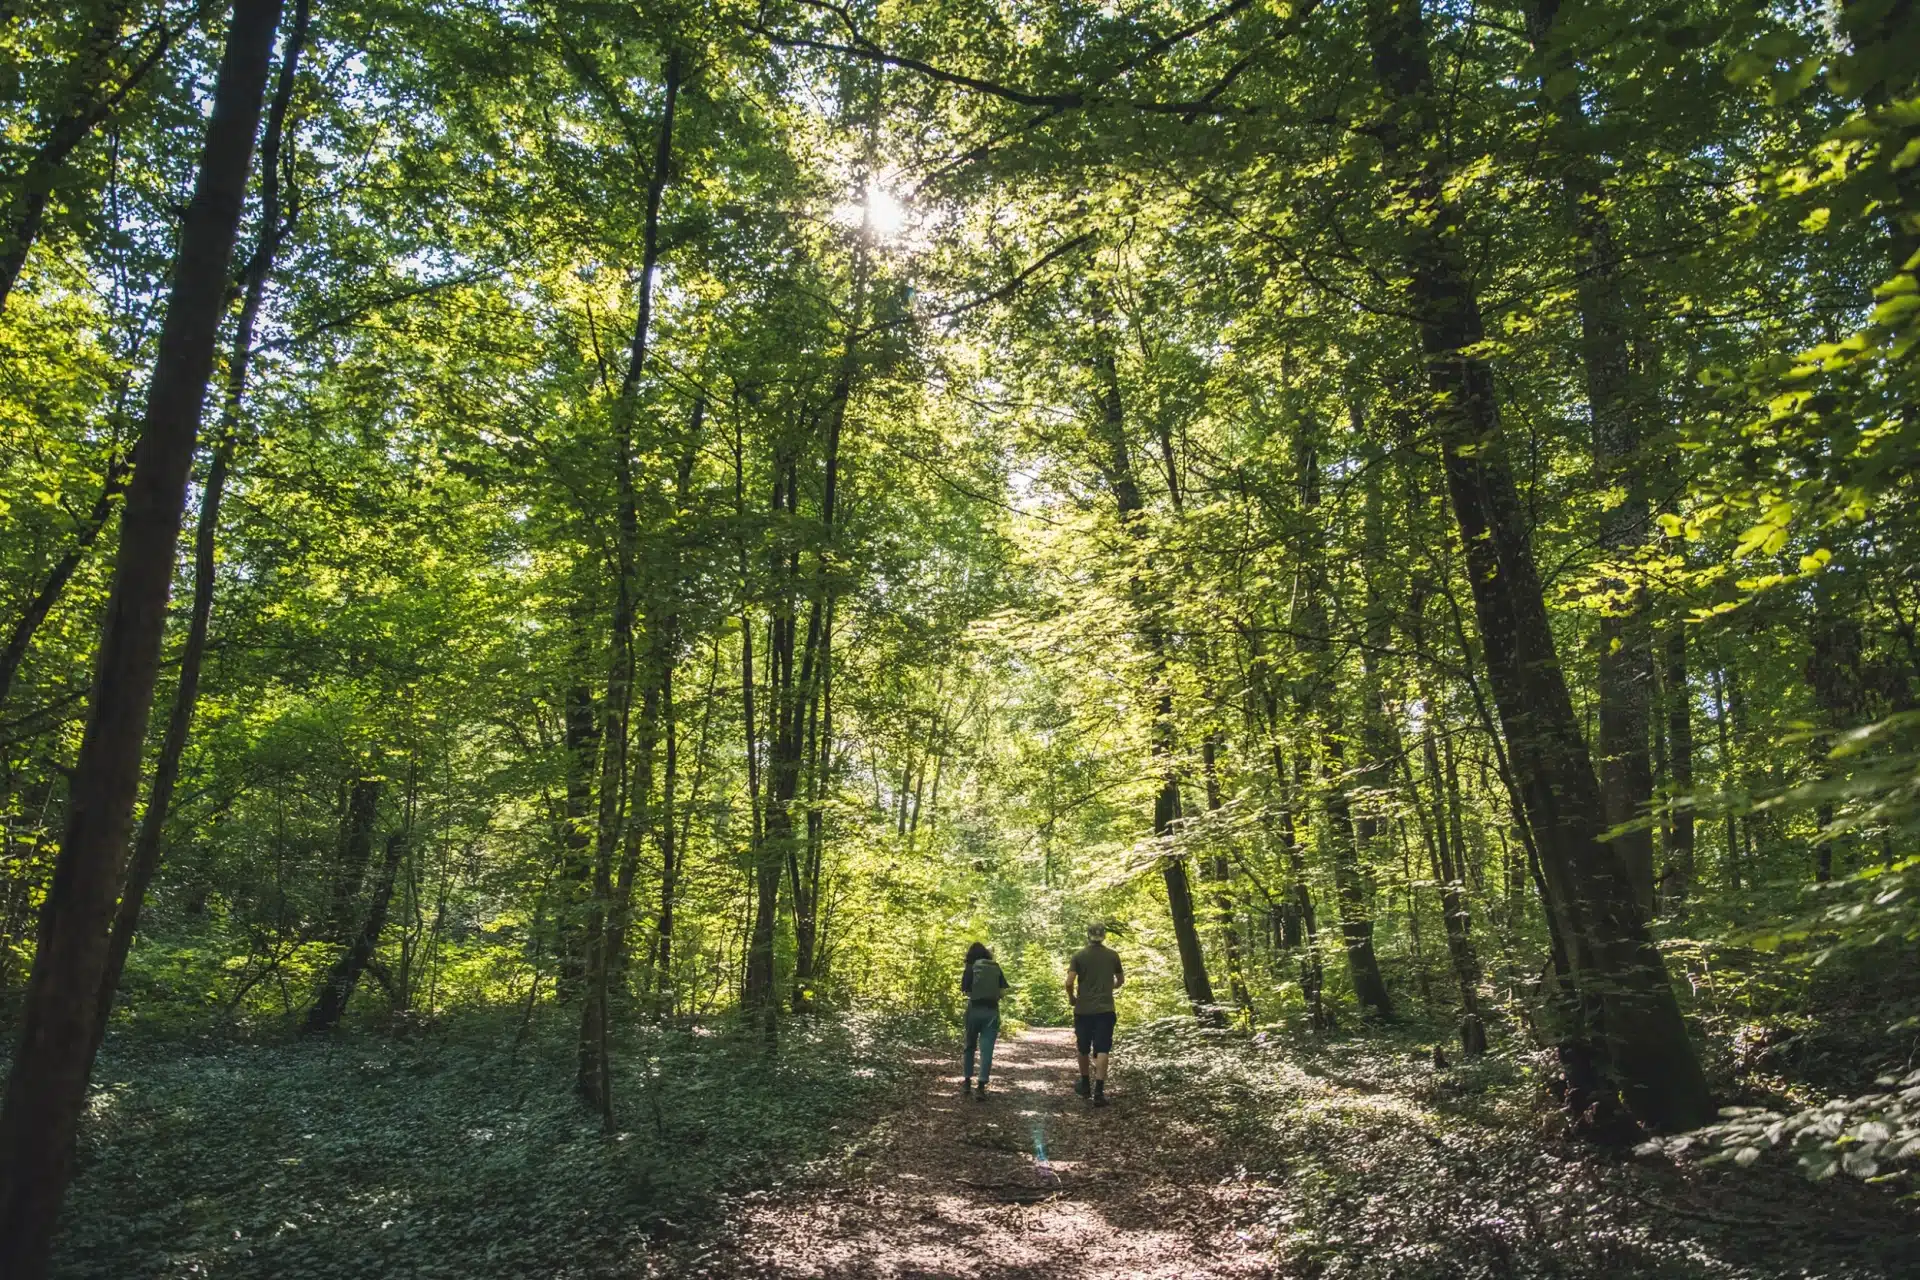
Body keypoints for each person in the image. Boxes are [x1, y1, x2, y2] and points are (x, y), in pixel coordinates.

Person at [1065, 922, 1123, 1106]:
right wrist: (1108, 988)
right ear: (1103, 936)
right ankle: (1099, 1092)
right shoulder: (1113, 956)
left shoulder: (1079, 956)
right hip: (1106, 1009)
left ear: (1088, 935)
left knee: (1083, 1047)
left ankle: (1084, 1085)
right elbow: (1120, 980)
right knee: (1103, 1049)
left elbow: (1069, 982)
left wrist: (1072, 997)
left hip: (1084, 1009)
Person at [960, 941, 1009, 1099]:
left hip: (974, 1010)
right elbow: (1002, 992)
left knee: (969, 1046)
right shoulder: (995, 967)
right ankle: (981, 1086)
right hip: (992, 1012)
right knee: (986, 1050)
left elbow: (966, 991)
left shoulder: (970, 968)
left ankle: (967, 1082)